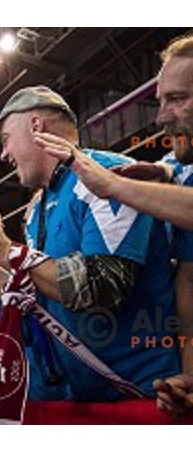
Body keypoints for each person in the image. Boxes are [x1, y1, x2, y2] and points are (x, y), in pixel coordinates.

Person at [0, 85, 180, 402]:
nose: (3, 154)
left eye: (5, 139)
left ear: (35, 125)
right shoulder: (39, 207)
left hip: (139, 396)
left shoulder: (108, 174)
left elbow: (100, 285)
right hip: (78, 398)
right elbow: (34, 294)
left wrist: (5, 249)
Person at [33, 35, 193, 405]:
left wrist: (113, 186)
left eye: (178, 99)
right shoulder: (178, 168)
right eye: (160, 100)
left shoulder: (105, 179)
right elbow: (188, 283)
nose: (161, 117)